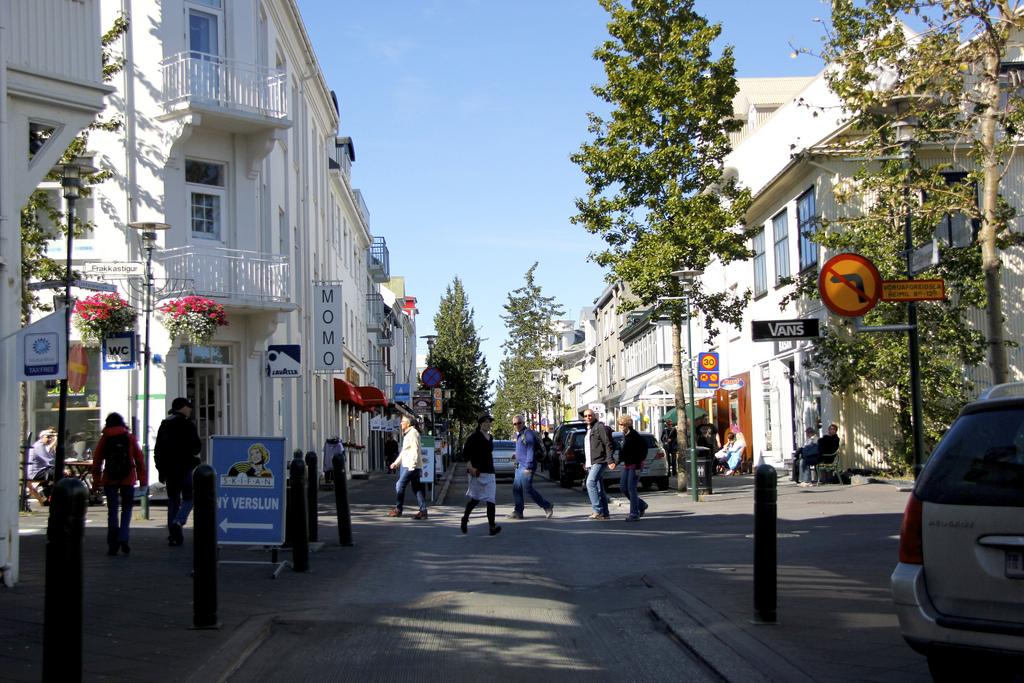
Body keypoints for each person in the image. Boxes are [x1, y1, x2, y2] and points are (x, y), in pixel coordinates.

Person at [91, 412, 147, 556]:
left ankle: (112, 543)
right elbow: (139, 461)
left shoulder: (104, 439)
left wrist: (96, 485)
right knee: (127, 509)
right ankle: (123, 537)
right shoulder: (129, 438)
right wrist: (143, 481)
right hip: (128, 478)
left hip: (110, 479)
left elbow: (96, 463)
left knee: (112, 511)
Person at [155, 397, 203, 546]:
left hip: (169, 469)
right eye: (188, 407)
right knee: (189, 497)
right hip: (185, 467)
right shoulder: (188, 424)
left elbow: (158, 449)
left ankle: (173, 536)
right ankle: (179, 521)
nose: (190, 409)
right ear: (182, 408)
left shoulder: (165, 424)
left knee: (173, 500)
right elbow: (197, 447)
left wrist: (160, 469)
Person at [461, 412, 501, 536]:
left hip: (489, 471)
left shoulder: (491, 437)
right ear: (480, 424)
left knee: (491, 499)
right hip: (476, 472)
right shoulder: (474, 437)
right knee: (475, 499)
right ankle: (465, 518)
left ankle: (492, 526)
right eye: (486, 422)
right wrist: (471, 468)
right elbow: (466, 454)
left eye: (489, 422)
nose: (488, 424)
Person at [507, 415, 554, 520]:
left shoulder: (527, 434)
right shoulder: (519, 435)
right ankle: (518, 511)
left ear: (523, 423)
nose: (517, 425)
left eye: (519, 423)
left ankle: (547, 506)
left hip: (526, 466)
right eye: (515, 424)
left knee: (527, 489)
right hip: (519, 466)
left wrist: (528, 467)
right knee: (516, 489)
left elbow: (530, 451)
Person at [389, 416, 428, 519]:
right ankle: (423, 511)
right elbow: (404, 451)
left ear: (408, 423)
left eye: (402, 421)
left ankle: (398, 509)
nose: (401, 423)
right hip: (411, 465)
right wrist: (396, 463)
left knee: (400, 484)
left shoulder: (413, 433)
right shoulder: (408, 434)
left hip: (411, 465)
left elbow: (415, 449)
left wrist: (413, 465)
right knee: (417, 488)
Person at [583, 409, 616, 520]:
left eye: (590, 415)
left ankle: (597, 509)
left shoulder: (599, 426)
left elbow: (607, 443)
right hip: (591, 462)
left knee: (590, 482)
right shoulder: (589, 429)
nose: (588, 417)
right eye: (586, 416)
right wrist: (586, 463)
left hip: (600, 460)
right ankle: (605, 512)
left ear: (594, 415)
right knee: (599, 487)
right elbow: (588, 448)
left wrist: (610, 460)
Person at [617, 414, 649, 522]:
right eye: (620, 424)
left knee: (631, 489)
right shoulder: (625, 434)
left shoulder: (634, 435)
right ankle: (641, 504)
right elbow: (624, 452)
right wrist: (616, 462)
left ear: (627, 425)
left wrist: (638, 468)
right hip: (627, 464)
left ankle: (634, 513)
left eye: (622, 424)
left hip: (635, 465)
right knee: (623, 488)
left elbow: (639, 452)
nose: (620, 426)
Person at [27, 427, 58, 499]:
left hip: (41, 470)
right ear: (41, 437)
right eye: (48, 437)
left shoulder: (41, 445)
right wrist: (61, 468)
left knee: (59, 474)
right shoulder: (39, 446)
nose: (50, 439)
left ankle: (48, 493)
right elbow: (49, 460)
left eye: (51, 437)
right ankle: (47, 492)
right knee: (62, 475)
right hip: (36, 473)